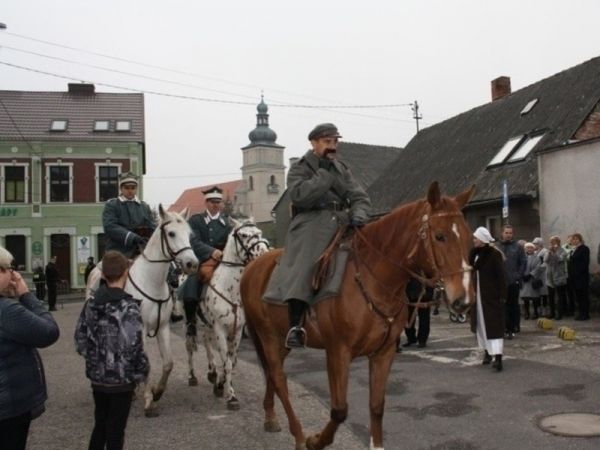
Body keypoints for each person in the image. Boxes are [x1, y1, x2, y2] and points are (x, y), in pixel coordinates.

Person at [265, 123, 371, 349]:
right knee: (305, 263)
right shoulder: (300, 169)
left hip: (343, 221)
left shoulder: (342, 168)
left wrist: (359, 215)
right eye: (327, 142)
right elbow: (301, 196)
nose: (332, 146)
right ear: (314, 143)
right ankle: (296, 324)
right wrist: (325, 173)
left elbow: (360, 196)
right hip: (310, 223)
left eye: (334, 142)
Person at [75, 251, 149, 450]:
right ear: (126, 273)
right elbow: (135, 345)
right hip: (122, 381)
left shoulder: (90, 305)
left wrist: (94, 361)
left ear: (104, 275)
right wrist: (141, 373)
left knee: (100, 424)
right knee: (116, 429)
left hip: (98, 380)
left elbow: (80, 341)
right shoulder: (130, 307)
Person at [0, 246, 60, 450]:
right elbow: (48, 332)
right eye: (9, 269)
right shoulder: (6, 311)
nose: (14, 274)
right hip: (9, 407)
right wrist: (26, 295)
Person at [179, 186, 232, 337]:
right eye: (212, 202)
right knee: (192, 283)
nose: (216, 205)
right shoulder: (196, 220)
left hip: (223, 259)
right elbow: (193, 241)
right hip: (202, 259)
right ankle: (191, 322)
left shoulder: (227, 223)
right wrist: (211, 252)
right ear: (206, 203)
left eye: (218, 202)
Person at [469, 227, 507, 372]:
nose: (474, 240)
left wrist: (503, 295)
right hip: (478, 297)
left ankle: (498, 357)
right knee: (481, 326)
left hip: (491, 297)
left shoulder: (494, 255)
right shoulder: (473, 255)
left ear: (483, 240)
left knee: (494, 328)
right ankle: (487, 353)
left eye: (476, 238)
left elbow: (501, 276)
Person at [102, 172, 155, 258]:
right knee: (110, 269)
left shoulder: (144, 207)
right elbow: (109, 226)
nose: (130, 191)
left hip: (141, 250)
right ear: (121, 189)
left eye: (133, 188)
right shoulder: (112, 205)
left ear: (136, 189)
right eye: (126, 188)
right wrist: (132, 237)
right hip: (117, 251)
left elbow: (152, 227)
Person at [497, 224, 526, 339]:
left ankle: (514, 326)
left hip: (513, 281)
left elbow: (523, 262)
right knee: (502, 305)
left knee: (513, 305)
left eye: (510, 233)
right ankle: (503, 326)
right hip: (500, 281)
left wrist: (518, 275)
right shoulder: (497, 246)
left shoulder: (517, 247)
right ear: (502, 233)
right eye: (506, 233)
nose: (508, 235)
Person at [397, 278, 432, 351]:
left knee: (424, 319)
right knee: (407, 318)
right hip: (410, 294)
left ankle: (422, 340)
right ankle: (411, 339)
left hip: (423, 294)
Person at [545, 235, 568, 320]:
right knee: (551, 296)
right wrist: (549, 253)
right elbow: (546, 260)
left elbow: (559, 260)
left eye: (553, 242)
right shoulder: (549, 251)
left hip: (559, 276)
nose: (551, 244)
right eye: (551, 242)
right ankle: (552, 312)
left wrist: (554, 253)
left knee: (559, 297)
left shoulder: (563, 251)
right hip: (550, 276)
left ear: (558, 242)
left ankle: (560, 313)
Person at [569, 233, 590, 320]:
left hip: (581, 276)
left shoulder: (584, 248)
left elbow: (585, 263)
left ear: (580, 240)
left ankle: (585, 314)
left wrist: (577, 273)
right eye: (573, 239)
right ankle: (581, 313)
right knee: (578, 296)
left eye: (576, 239)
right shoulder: (574, 249)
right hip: (574, 277)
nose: (575, 241)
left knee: (583, 296)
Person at [520, 242, 541, 320]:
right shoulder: (523, 257)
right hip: (524, 280)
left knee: (535, 298)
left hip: (533, 280)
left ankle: (536, 312)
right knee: (526, 298)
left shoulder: (537, 257)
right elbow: (520, 266)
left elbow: (538, 267)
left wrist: (531, 275)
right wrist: (521, 275)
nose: (529, 249)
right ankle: (527, 313)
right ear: (525, 249)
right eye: (527, 248)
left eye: (531, 247)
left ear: (534, 248)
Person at [532, 237, 549, 317]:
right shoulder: (535, 252)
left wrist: (538, 268)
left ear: (540, 244)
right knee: (537, 292)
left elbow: (545, 262)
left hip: (543, 274)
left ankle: (545, 309)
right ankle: (538, 309)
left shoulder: (545, 251)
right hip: (536, 274)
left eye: (536, 243)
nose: (534, 245)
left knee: (544, 292)